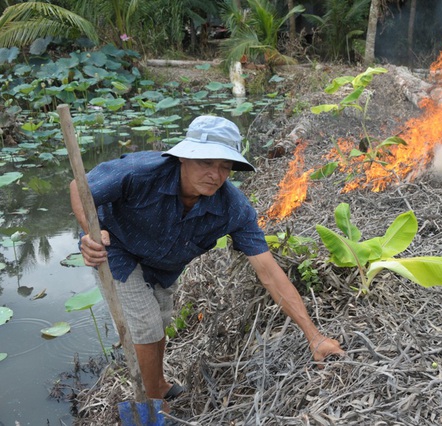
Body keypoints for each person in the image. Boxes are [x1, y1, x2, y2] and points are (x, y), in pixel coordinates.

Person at [69, 115, 344, 412]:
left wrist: (314, 338)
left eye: (225, 166)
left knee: (160, 320)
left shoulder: (233, 208)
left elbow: (270, 273)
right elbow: (79, 188)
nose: (216, 174)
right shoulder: (140, 172)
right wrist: (90, 233)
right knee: (146, 326)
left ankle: (158, 382)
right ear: (184, 158)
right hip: (118, 250)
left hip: (164, 266)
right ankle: (152, 403)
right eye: (206, 162)